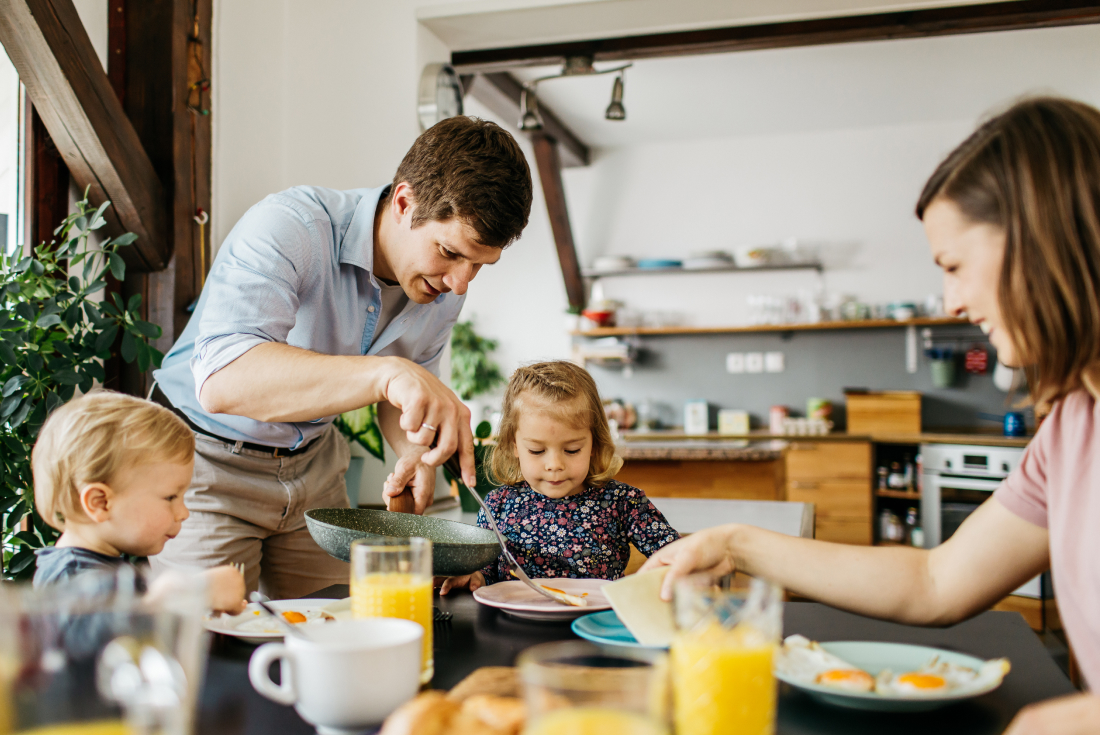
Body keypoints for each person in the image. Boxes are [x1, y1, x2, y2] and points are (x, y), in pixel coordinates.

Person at [641, 96, 1100, 731]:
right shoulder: (1074, 427)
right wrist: (733, 542)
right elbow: (936, 582)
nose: (952, 301)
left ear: (1044, 239)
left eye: (955, 266)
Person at [150, 116, 533, 598]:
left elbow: (402, 398)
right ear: (403, 202)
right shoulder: (291, 227)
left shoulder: (445, 283)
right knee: (206, 650)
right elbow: (223, 380)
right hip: (200, 464)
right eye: (450, 252)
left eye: (479, 265)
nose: (461, 283)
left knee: (343, 633)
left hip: (314, 469)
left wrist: (413, 451)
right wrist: (389, 373)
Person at [441, 361, 679, 594]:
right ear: (514, 445)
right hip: (517, 627)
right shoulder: (496, 506)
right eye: (536, 451)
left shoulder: (624, 502)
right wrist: (475, 576)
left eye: (572, 450)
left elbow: (675, 555)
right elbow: (487, 571)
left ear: (594, 444)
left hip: (597, 624)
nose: (554, 465)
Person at [32, 391, 246, 614]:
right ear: (100, 502)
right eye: (170, 497)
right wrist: (189, 592)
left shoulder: (104, 567)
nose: (183, 513)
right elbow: (110, 636)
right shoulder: (72, 581)